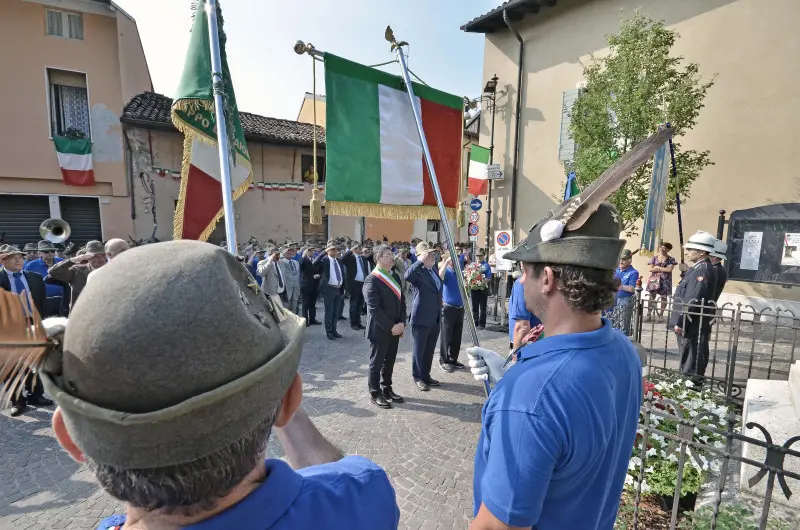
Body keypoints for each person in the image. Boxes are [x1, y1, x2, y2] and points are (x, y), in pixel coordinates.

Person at [8, 240, 400, 530]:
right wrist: (272, 389)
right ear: (290, 400)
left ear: (72, 438)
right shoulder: (362, 496)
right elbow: (333, 478)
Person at [466, 202, 642, 529]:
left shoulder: (530, 396)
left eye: (523, 272)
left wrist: (516, 392)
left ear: (547, 278)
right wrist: (511, 377)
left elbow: (495, 526)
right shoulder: (622, 349)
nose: (520, 283)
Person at [0, 245, 54, 417]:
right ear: (3, 260)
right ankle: (17, 400)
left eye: (20, 257)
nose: (18, 260)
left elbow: (42, 303)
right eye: (13, 257)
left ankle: (35, 395)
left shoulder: (35, 278)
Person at [669, 231, 718, 383]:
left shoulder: (703, 269)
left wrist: (682, 322)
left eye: (691, 249)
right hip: (690, 322)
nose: (687, 251)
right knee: (686, 355)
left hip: (692, 323)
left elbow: (694, 299)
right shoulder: (698, 267)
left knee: (691, 358)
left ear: (702, 251)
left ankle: (691, 388)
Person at [363, 245, 406, 409]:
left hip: (396, 327)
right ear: (378, 258)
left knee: (390, 361)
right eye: (387, 255)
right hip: (380, 329)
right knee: (377, 362)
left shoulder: (394, 275)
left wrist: (401, 322)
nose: (392, 257)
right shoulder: (372, 279)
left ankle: (387, 389)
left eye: (392, 254)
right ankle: (375, 393)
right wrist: (391, 326)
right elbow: (374, 308)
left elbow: (402, 301)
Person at [404, 242, 442, 391]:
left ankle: (426, 375)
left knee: (430, 349)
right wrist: (420, 260)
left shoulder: (433, 269)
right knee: (419, 350)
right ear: (421, 255)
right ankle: (418, 376)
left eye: (433, 254)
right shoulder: (418, 272)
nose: (432, 256)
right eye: (428, 254)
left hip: (435, 317)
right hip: (421, 317)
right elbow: (407, 276)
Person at [47, 240, 106, 310]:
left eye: (103, 255)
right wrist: (74, 260)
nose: (101, 259)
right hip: (82, 314)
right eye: (96, 256)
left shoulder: (112, 269)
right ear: (88, 257)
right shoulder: (77, 271)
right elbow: (53, 272)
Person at [438, 255, 465, 373]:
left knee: (457, 336)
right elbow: (440, 276)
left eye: (456, 260)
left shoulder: (460, 273)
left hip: (460, 307)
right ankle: (443, 360)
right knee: (446, 336)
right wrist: (446, 262)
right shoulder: (447, 271)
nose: (455, 262)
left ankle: (453, 359)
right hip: (448, 308)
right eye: (453, 260)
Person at [314, 241, 345, 340]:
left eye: (336, 249)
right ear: (328, 251)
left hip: (338, 288)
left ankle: (334, 330)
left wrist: (343, 287)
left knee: (336, 312)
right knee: (329, 312)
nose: (335, 251)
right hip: (328, 289)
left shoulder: (339, 260)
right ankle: (329, 332)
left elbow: (341, 273)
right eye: (332, 249)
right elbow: (314, 263)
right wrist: (323, 252)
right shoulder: (325, 260)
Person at [24, 240, 65, 317]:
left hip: (62, 299)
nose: (50, 253)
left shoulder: (62, 262)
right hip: (43, 301)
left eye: (52, 251)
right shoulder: (31, 265)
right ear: (39, 253)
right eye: (46, 251)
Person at [508, 269, 542, 351]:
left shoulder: (521, 284)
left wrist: (516, 356)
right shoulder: (543, 282)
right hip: (540, 341)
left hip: (527, 344)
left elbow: (522, 326)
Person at [341, 242, 371, 331]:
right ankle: (353, 323)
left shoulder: (363, 258)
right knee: (354, 304)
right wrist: (350, 250)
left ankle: (358, 322)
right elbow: (342, 259)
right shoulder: (350, 258)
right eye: (358, 247)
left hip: (363, 283)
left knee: (360, 304)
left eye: (360, 247)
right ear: (354, 249)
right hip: (354, 284)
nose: (360, 248)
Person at [646, 241, 677, 320]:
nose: (663, 249)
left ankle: (661, 315)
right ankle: (649, 314)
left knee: (663, 297)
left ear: (668, 250)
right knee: (652, 296)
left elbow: (669, 270)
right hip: (654, 279)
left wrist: (658, 268)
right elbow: (650, 269)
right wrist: (663, 269)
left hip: (665, 280)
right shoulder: (654, 258)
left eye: (665, 248)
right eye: (661, 247)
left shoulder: (671, 259)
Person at [611, 249, 640, 336]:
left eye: (624, 259)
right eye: (620, 259)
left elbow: (632, 288)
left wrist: (621, 287)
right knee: (611, 323)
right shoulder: (615, 270)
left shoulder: (633, 272)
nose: (621, 261)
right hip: (612, 299)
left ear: (630, 260)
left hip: (624, 300)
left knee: (623, 326)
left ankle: (624, 344)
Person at [299, 244, 322, 326]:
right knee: (305, 304)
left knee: (312, 304)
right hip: (306, 285)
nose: (312, 252)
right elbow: (301, 266)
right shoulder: (303, 260)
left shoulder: (315, 260)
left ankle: (312, 319)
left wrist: (318, 275)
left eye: (313, 250)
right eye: (310, 250)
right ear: (306, 251)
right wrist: (303, 255)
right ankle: (305, 321)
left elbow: (319, 269)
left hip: (315, 285)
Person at [470, 249, 492, 330]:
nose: (478, 257)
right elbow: (469, 276)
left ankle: (482, 325)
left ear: (484, 256)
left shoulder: (486, 265)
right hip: (474, 289)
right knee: (474, 307)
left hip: (483, 289)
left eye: (480, 255)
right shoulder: (473, 265)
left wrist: (482, 282)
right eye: (477, 255)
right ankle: (475, 324)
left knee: (482, 307)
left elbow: (489, 277)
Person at [280, 245, 301, 314]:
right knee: (286, 306)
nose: (290, 253)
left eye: (291, 251)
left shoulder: (296, 262)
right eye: (288, 251)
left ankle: (295, 320)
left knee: (295, 305)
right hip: (286, 288)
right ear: (283, 253)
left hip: (296, 287)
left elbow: (297, 274)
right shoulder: (281, 262)